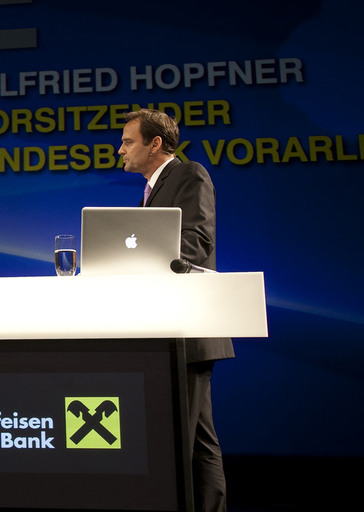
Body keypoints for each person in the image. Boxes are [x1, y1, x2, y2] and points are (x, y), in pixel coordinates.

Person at [117, 108, 234, 512]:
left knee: (178, 442)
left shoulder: (188, 174)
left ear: (155, 144)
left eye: (127, 141)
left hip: (187, 327)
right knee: (199, 440)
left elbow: (197, 243)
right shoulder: (150, 191)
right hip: (168, 328)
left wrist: (134, 261)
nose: (120, 150)